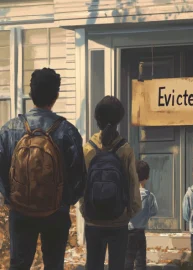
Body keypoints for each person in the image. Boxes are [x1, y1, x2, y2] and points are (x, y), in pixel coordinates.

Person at [0, 68, 86, 270]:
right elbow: (80, 177)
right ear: (56, 96)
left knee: (19, 265)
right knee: (54, 265)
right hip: (55, 212)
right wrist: (64, 201)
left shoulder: (9, 129)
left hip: (21, 210)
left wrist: (11, 198)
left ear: (30, 95)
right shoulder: (67, 131)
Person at [80, 95, 142, 270]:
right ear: (118, 121)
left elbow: (82, 184)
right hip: (119, 219)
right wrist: (130, 211)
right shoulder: (125, 149)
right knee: (117, 265)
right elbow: (133, 184)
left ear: (97, 119)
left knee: (93, 264)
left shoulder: (88, 148)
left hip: (93, 219)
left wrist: (84, 210)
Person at [125, 160, 158, 270]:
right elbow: (154, 211)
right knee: (140, 261)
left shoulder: (128, 195)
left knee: (127, 261)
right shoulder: (150, 196)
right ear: (147, 177)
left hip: (128, 233)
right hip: (140, 233)